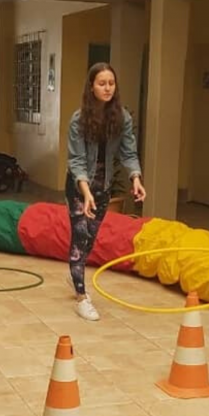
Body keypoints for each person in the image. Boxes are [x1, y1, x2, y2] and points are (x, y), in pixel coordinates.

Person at [65, 63, 146, 321]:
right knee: (80, 235)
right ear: (91, 87)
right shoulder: (78, 119)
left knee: (90, 239)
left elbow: (129, 153)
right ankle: (81, 297)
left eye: (111, 83)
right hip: (79, 187)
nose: (107, 88)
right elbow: (77, 161)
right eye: (102, 83)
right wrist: (86, 192)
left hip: (104, 186)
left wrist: (135, 178)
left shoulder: (122, 118)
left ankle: (75, 272)